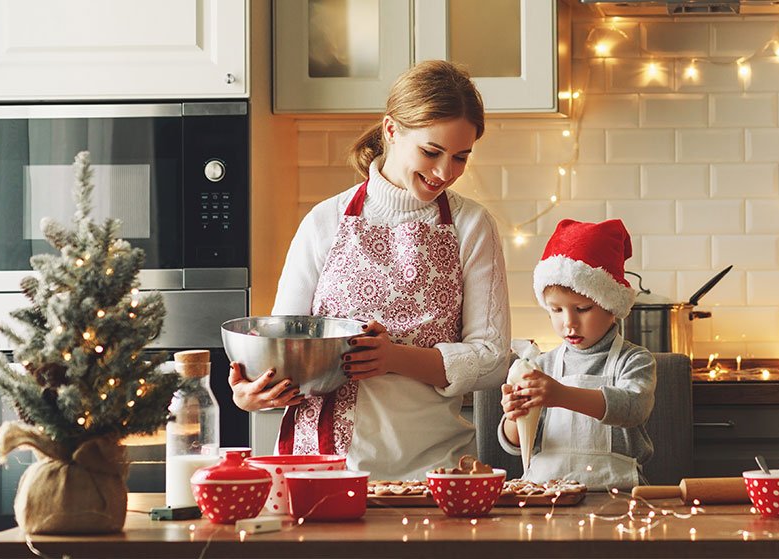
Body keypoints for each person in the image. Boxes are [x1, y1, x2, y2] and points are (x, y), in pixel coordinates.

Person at [226, 60, 511, 482]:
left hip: (430, 468)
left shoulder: (472, 226)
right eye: (431, 152)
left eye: (460, 157)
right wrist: (253, 395)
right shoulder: (325, 221)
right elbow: (282, 347)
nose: (444, 173)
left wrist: (395, 358)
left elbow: (491, 359)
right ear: (391, 130)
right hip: (319, 468)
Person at [498, 219, 656, 490]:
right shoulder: (540, 366)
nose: (568, 323)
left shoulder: (634, 360)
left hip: (615, 494)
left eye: (582, 309)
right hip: (546, 495)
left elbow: (632, 408)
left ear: (611, 306)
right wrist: (514, 418)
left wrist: (561, 395)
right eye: (556, 310)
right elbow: (514, 446)